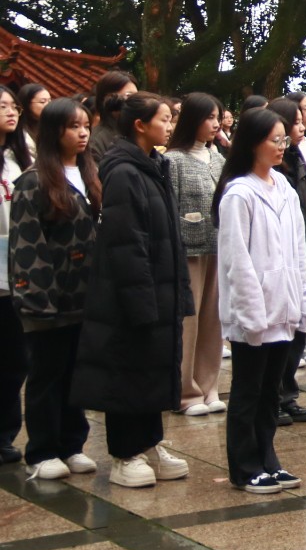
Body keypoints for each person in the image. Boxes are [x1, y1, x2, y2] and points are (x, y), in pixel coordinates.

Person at [78, 92, 191, 488]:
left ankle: (149, 442)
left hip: (158, 286)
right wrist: (141, 299)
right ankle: (125, 453)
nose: (170, 126)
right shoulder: (123, 172)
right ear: (140, 125)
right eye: (164, 119)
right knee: (127, 370)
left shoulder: (153, 165)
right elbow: (126, 243)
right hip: (132, 292)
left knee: (151, 369)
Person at [216, 108, 306, 493]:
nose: (281, 146)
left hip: (283, 307)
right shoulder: (239, 194)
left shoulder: (284, 187)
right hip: (254, 312)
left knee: (271, 391)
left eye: (283, 139)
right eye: (275, 140)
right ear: (253, 143)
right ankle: (245, 466)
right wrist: (250, 312)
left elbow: (298, 249)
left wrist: (302, 297)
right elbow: (236, 259)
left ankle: (268, 457)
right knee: (248, 391)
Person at [9, 97, 94, 479]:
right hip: (48, 298)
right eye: (73, 127)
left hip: (84, 295)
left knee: (77, 371)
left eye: (86, 126)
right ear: (53, 131)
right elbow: (27, 244)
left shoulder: (90, 173)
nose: (82, 133)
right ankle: (42, 450)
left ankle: (72, 444)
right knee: (47, 374)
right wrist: (38, 299)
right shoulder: (33, 181)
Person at [167, 92, 227, 417]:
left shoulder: (219, 159)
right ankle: (186, 391)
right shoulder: (173, 160)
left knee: (213, 320)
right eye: (209, 117)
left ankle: (209, 386)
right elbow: (171, 206)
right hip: (188, 251)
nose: (215, 123)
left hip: (217, 247)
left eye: (218, 117)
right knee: (188, 322)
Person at [267, 98, 306, 421]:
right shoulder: (273, 167)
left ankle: (287, 394)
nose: (302, 126)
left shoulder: (297, 158)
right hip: (282, 259)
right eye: (295, 121)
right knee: (281, 334)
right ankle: (273, 397)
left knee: (299, 330)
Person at [0, 86, 32, 465]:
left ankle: (5, 433)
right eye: (2, 106)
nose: (10, 112)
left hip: (18, 269)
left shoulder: (20, 159)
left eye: (14, 106)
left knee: (15, 358)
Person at [88, 71, 138, 162]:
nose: (136, 101)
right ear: (110, 98)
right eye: (129, 96)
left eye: (137, 96)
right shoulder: (97, 141)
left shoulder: (136, 134)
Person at [18, 83, 49, 154]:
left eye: (49, 101)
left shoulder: (53, 125)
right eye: (43, 102)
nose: (48, 105)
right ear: (27, 104)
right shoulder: (21, 133)